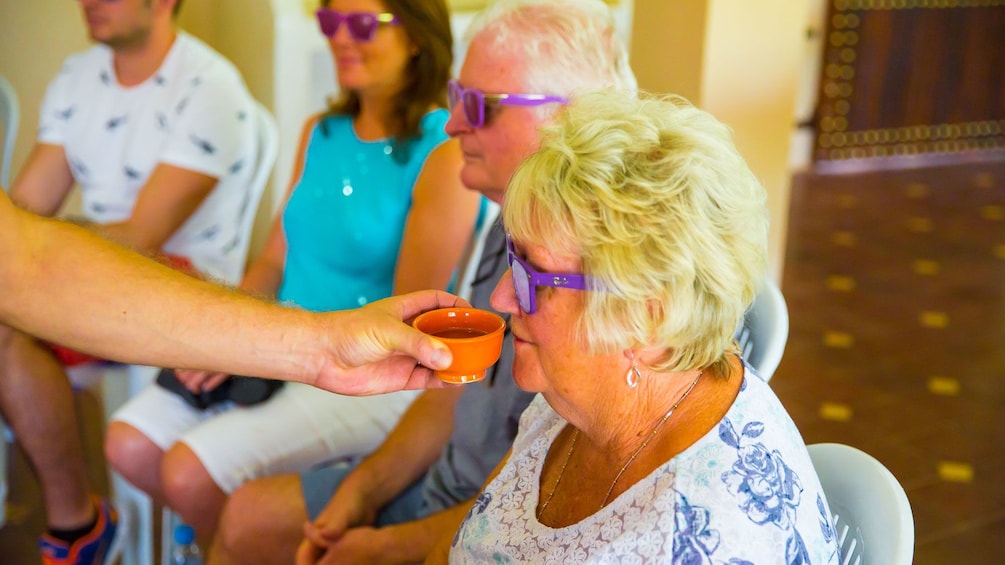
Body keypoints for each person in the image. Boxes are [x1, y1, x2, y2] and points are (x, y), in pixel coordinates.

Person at [207, 1, 637, 563]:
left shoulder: (597, 275)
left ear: (571, 116)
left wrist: (388, 547)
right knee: (243, 516)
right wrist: (362, 492)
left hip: (500, 526)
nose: (454, 123)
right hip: (443, 484)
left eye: (480, 106)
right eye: (459, 99)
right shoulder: (515, 214)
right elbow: (449, 400)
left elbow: (543, 497)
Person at [104, 0, 480, 541]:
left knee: (189, 471)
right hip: (282, 344)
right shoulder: (320, 132)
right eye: (330, 22)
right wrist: (228, 338)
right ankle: (243, 541)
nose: (340, 39)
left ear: (418, 36)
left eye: (362, 24)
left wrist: (289, 352)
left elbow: (409, 309)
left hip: (368, 371)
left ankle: (241, 542)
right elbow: (273, 260)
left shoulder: (441, 148)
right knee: (130, 441)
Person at [437, 90, 841, 563]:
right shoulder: (588, 389)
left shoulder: (686, 544)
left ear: (648, 320)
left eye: (532, 274)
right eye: (513, 256)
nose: (501, 297)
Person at [0, 0, 263, 562]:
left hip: (183, 283)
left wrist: (41, 252)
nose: (89, 2)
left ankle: (75, 527)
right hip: (89, 270)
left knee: (9, 316)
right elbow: (23, 213)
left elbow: (143, 235)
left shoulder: (209, 86)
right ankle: (80, 522)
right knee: (7, 310)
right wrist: (31, 253)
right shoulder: (76, 78)